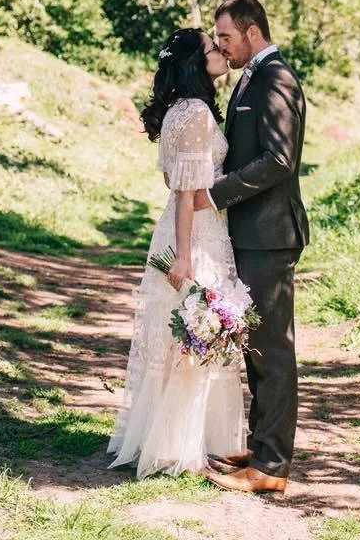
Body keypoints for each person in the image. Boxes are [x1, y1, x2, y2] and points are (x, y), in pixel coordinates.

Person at [107, 27, 245, 478]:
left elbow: (173, 181)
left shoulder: (178, 110)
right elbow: (185, 191)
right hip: (194, 234)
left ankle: (173, 438)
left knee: (180, 338)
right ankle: (181, 445)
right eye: (211, 47)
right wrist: (185, 257)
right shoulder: (196, 113)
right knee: (193, 332)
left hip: (181, 227)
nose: (220, 51)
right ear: (194, 62)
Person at [198, 0, 308, 496]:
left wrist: (215, 193)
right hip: (250, 233)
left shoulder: (276, 78)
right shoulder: (252, 77)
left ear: (252, 32)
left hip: (269, 235)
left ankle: (272, 466)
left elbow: (280, 160)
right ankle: (260, 446)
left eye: (225, 36)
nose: (222, 46)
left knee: (273, 352)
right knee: (255, 347)